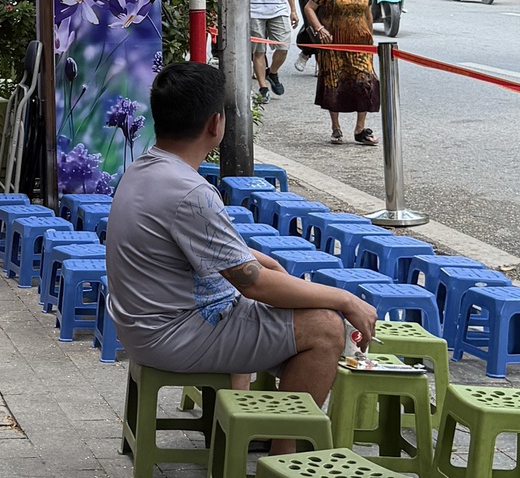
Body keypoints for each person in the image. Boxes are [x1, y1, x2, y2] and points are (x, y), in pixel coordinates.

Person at [105, 60, 377, 404]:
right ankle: (283, 447)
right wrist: (345, 299)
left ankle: (245, 424)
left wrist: (260, 265)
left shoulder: (144, 167)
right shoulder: (191, 192)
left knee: (272, 299)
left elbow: (228, 259)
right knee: (325, 328)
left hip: (142, 328)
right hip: (171, 335)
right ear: (216, 123)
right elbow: (255, 284)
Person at [302, 0, 380, 146]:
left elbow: (367, 13)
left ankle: (360, 128)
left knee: (365, 81)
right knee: (334, 82)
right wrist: (320, 29)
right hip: (333, 41)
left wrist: (370, 37)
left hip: (360, 42)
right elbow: (309, 8)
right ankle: (336, 128)